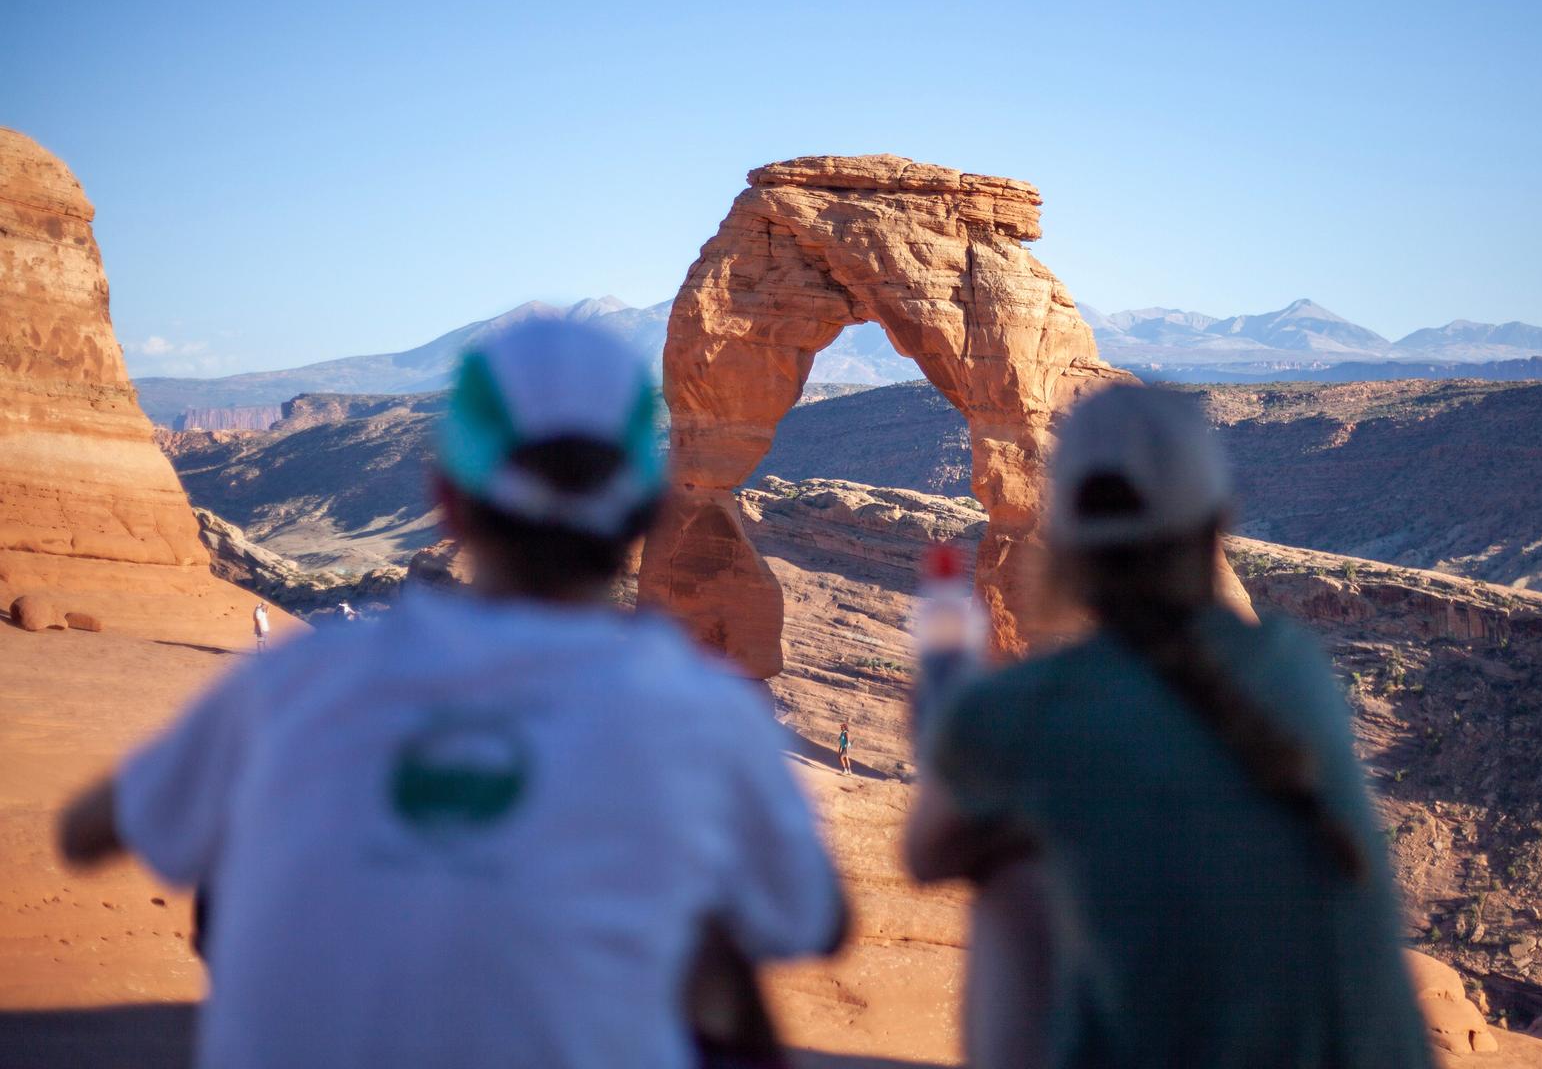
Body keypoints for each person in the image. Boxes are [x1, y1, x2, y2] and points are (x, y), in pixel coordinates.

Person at [57, 318, 844, 1069]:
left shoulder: (298, 681)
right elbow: (814, 920)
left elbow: (89, 833)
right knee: (711, 945)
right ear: (644, 509)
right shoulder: (702, 716)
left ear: (446, 495)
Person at [905, 383, 1433, 1068]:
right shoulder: (1292, 661)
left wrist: (947, 721)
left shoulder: (1023, 710)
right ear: (1220, 522)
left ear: (1059, 542)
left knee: (1003, 870)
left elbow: (926, 857)